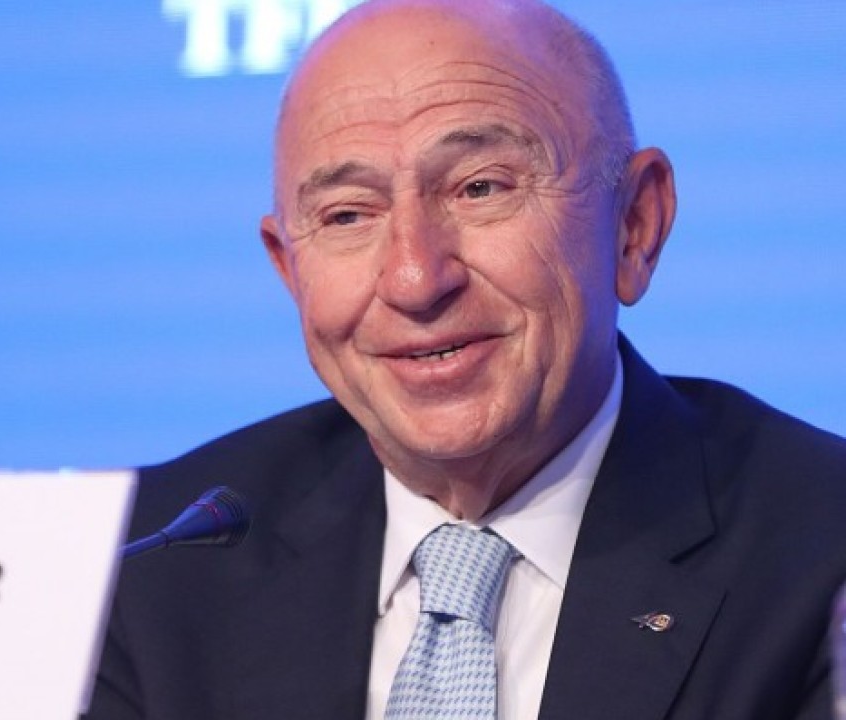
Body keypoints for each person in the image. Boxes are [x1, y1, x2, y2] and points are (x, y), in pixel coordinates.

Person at [84, 1, 846, 718]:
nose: (416, 279)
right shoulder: (144, 564)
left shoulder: (820, 552)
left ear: (634, 225)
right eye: (347, 215)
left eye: (480, 188)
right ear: (290, 270)